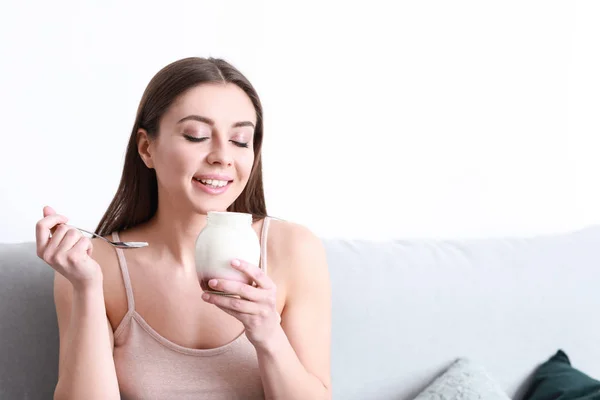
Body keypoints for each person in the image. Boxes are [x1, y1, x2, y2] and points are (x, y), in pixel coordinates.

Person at [35, 57, 331, 400]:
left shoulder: (293, 250)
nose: (223, 156)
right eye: (197, 135)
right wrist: (87, 289)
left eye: (239, 140)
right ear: (147, 148)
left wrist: (268, 334)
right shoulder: (92, 264)